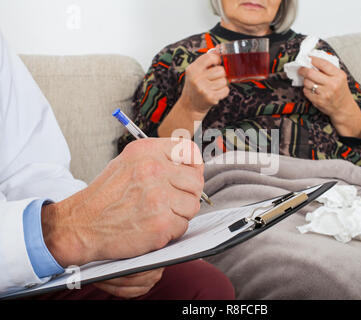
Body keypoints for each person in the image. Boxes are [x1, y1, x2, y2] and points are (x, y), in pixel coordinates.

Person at [0, 31, 234, 300]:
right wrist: (64, 232)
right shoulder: (176, 60)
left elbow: (31, 168)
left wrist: (108, 237)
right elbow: (154, 150)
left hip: (37, 261)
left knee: (203, 286)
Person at [118, 0, 361, 172]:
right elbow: (135, 168)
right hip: (242, 197)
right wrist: (190, 107)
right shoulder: (177, 61)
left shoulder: (315, 53)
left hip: (335, 186)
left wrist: (343, 108)